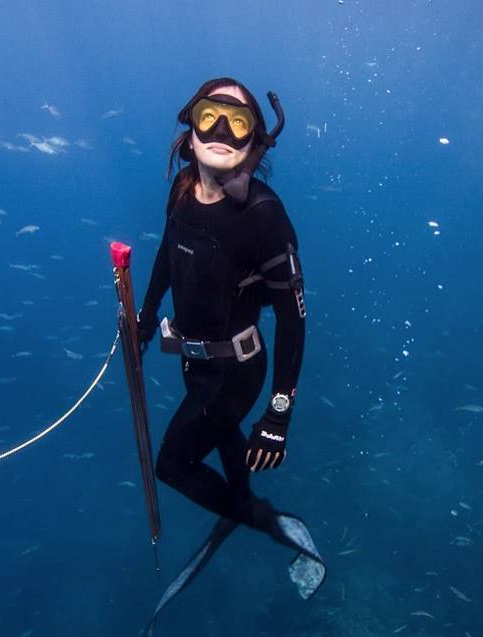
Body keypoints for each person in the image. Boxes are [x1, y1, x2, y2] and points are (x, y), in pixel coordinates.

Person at [136, 77, 309, 537]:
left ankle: (262, 520)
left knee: (172, 466)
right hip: (196, 366)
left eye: (238, 123)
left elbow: (293, 321)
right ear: (189, 128)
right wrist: (146, 319)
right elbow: (168, 253)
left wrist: (278, 415)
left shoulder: (264, 215)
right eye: (209, 116)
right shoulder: (183, 185)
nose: (220, 133)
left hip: (237, 375)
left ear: (255, 138)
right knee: (225, 431)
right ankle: (242, 496)